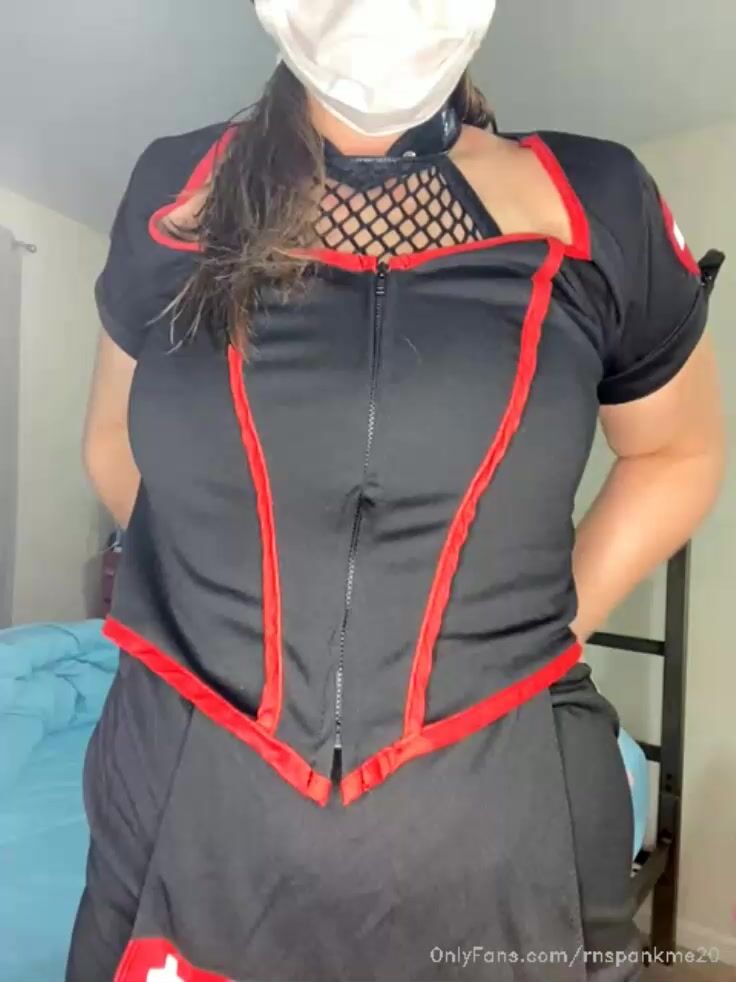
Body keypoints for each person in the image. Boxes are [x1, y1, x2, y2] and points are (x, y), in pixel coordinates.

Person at [69, 2, 726, 980]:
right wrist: (217, 592)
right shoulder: (175, 186)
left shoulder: (597, 199)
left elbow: (676, 453)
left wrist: (538, 629)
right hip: (181, 789)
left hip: (502, 810)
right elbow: (111, 440)